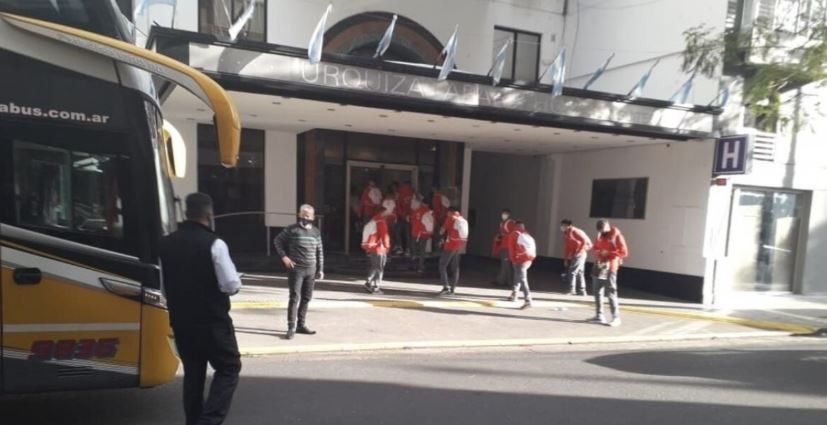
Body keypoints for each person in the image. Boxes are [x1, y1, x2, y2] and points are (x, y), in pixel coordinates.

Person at [159, 192, 242, 425]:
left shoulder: (165, 243)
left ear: (186, 213)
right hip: (212, 321)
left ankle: (193, 420)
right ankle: (209, 420)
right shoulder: (215, 243)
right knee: (229, 367)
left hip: (182, 321)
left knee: (193, 374)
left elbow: (163, 286)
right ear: (209, 214)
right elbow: (230, 284)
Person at [274, 204, 324, 339]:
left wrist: (321, 269)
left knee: (306, 298)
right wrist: (284, 257)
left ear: (313, 217)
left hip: (311, 269)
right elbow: (277, 241)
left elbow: (320, 251)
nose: (305, 217)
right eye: (302, 214)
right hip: (296, 269)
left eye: (308, 215)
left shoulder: (316, 232)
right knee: (294, 297)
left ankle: (301, 325)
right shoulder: (292, 229)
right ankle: (291, 327)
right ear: (298, 215)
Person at [590, 219, 628, 327]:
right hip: (600, 265)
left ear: (608, 227)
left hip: (610, 266)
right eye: (600, 231)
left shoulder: (617, 236)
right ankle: (599, 315)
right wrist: (597, 252)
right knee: (597, 290)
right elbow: (595, 247)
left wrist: (609, 253)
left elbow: (624, 252)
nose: (602, 233)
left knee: (611, 292)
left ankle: (616, 317)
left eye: (603, 231)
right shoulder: (599, 235)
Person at [437, 207, 468, 296]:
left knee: (442, 265)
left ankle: (446, 287)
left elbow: (441, 231)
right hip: (459, 246)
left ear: (450, 212)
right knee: (455, 267)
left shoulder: (450, 218)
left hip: (450, 245)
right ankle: (453, 289)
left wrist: (441, 231)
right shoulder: (462, 219)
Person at [506, 221, 536, 309]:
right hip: (529, 259)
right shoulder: (527, 234)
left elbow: (511, 249)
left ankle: (528, 299)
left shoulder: (514, 234)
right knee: (518, 275)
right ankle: (514, 293)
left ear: (516, 226)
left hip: (520, 259)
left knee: (522, 278)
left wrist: (513, 260)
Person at [362, 206, 391, 294]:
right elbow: (384, 235)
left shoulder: (373, 220)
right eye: (386, 212)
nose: (388, 214)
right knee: (379, 268)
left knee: (374, 266)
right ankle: (376, 286)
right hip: (379, 248)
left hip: (372, 247)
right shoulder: (381, 222)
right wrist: (387, 246)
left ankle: (369, 282)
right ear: (382, 213)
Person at [561, 219, 593, 296]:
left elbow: (584, 240)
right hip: (577, 254)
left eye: (563, 225)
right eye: (562, 225)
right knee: (580, 272)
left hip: (580, 254)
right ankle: (582, 291)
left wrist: (579, 251)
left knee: (572, 271)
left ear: (569, 225)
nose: (562, 227)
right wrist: (566, 259)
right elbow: (567, 247)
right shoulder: (566, 233)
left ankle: (572, 290)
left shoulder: (575, 231)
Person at [491, 209, 516, 287]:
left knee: (505, 264)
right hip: (504, 245)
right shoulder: (502, 223)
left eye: (505, 214)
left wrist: (503, 236)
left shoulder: (510, 223)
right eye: (503, 214)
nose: (503, 215)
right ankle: (506, 281)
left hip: (507, 246)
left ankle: (503, 281)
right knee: (505, 264)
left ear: (508, 214)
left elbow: (513, 234)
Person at [409, 195, 434, 273]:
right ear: (428, 204)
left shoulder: (416, 211)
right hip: (425, 233)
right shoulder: (430, 212)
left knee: (414, 247)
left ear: (422, 203)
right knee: (422, 250)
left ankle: (413, 261)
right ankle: (420, 267)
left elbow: (412, 221)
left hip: (415, 232)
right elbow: (433, 223)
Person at [397, 181, 415, 255]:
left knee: (398, 231)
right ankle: (408, 249)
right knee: (408, 233)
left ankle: (401, 247)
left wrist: (401, 214)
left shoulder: (401, 191)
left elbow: (398, 204)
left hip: (403, 216)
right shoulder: (413, 192)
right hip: (411, 216)